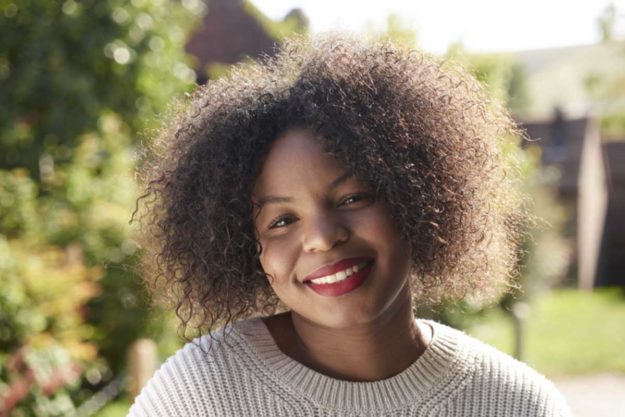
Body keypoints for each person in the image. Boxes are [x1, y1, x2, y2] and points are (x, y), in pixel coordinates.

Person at [128, 34, 571, 416]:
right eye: (282, 220)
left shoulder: (518, 404)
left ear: (415, 197)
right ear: (245, 246)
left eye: (353, 198)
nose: (322, 236)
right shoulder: (200, 395)